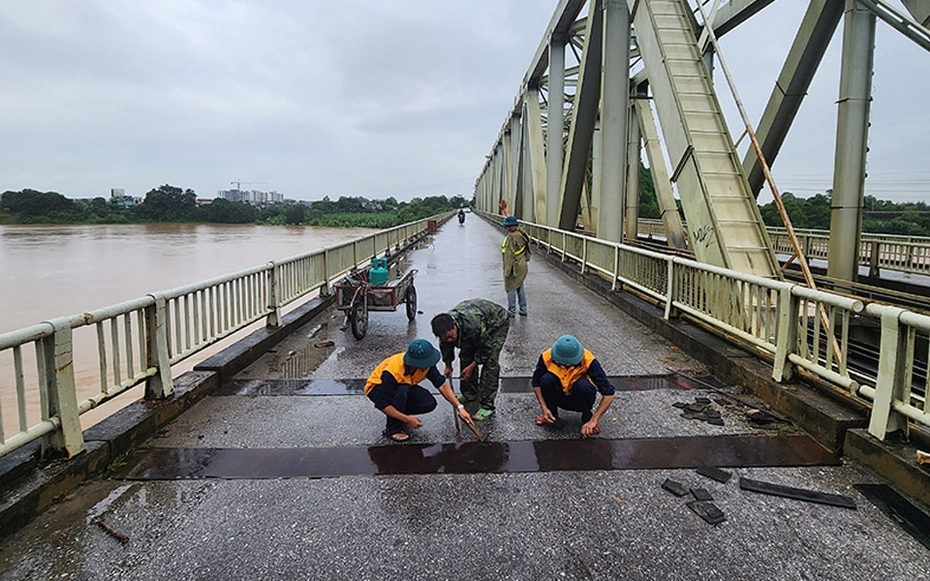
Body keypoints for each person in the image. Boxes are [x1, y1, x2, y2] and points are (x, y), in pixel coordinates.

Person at [365, 338, 474, 442]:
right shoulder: (391, 373)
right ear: (417, 363)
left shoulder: (426, 364)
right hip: (377, 390)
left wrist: (460, 408)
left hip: (405, 386)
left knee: (428, 403)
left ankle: (399, 412)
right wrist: (407, 419)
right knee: (402, 390)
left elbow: (442, 386)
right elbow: (382, 404)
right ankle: (392, 429)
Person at [430, 299, 510, 421]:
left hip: (496, 324)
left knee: (490, 363)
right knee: (465, 357)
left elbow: (486, 347)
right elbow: (446, 346)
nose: (450, 340)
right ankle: (470, 393)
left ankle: (487, 405)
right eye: (445, 338)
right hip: (477, 324)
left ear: (454, 326)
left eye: (451, 336)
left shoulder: (473, 325)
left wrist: (472, 366)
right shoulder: (444, 330)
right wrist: (448, 365)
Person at [532, 335, 616, 437]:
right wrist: (544, 408)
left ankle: (587, 419)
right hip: (557, 396)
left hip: (579, 399)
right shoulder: (546, 357)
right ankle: (551, 415)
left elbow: (609, 394)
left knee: (584, 386)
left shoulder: (588, 360)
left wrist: (594, 420)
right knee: (546, 380)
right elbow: (536, 383)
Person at [501, 215, 530, 317]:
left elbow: (509, 256)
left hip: (514, 266)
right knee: (520, 287)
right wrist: (505, 211)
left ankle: (511, 311)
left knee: (510, 288)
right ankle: (523, 309)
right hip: (522, 265)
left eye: (509, 227)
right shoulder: (521, 233)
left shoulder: (511, 237)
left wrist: (507, 272)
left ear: (514, 226)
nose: (507, 229)